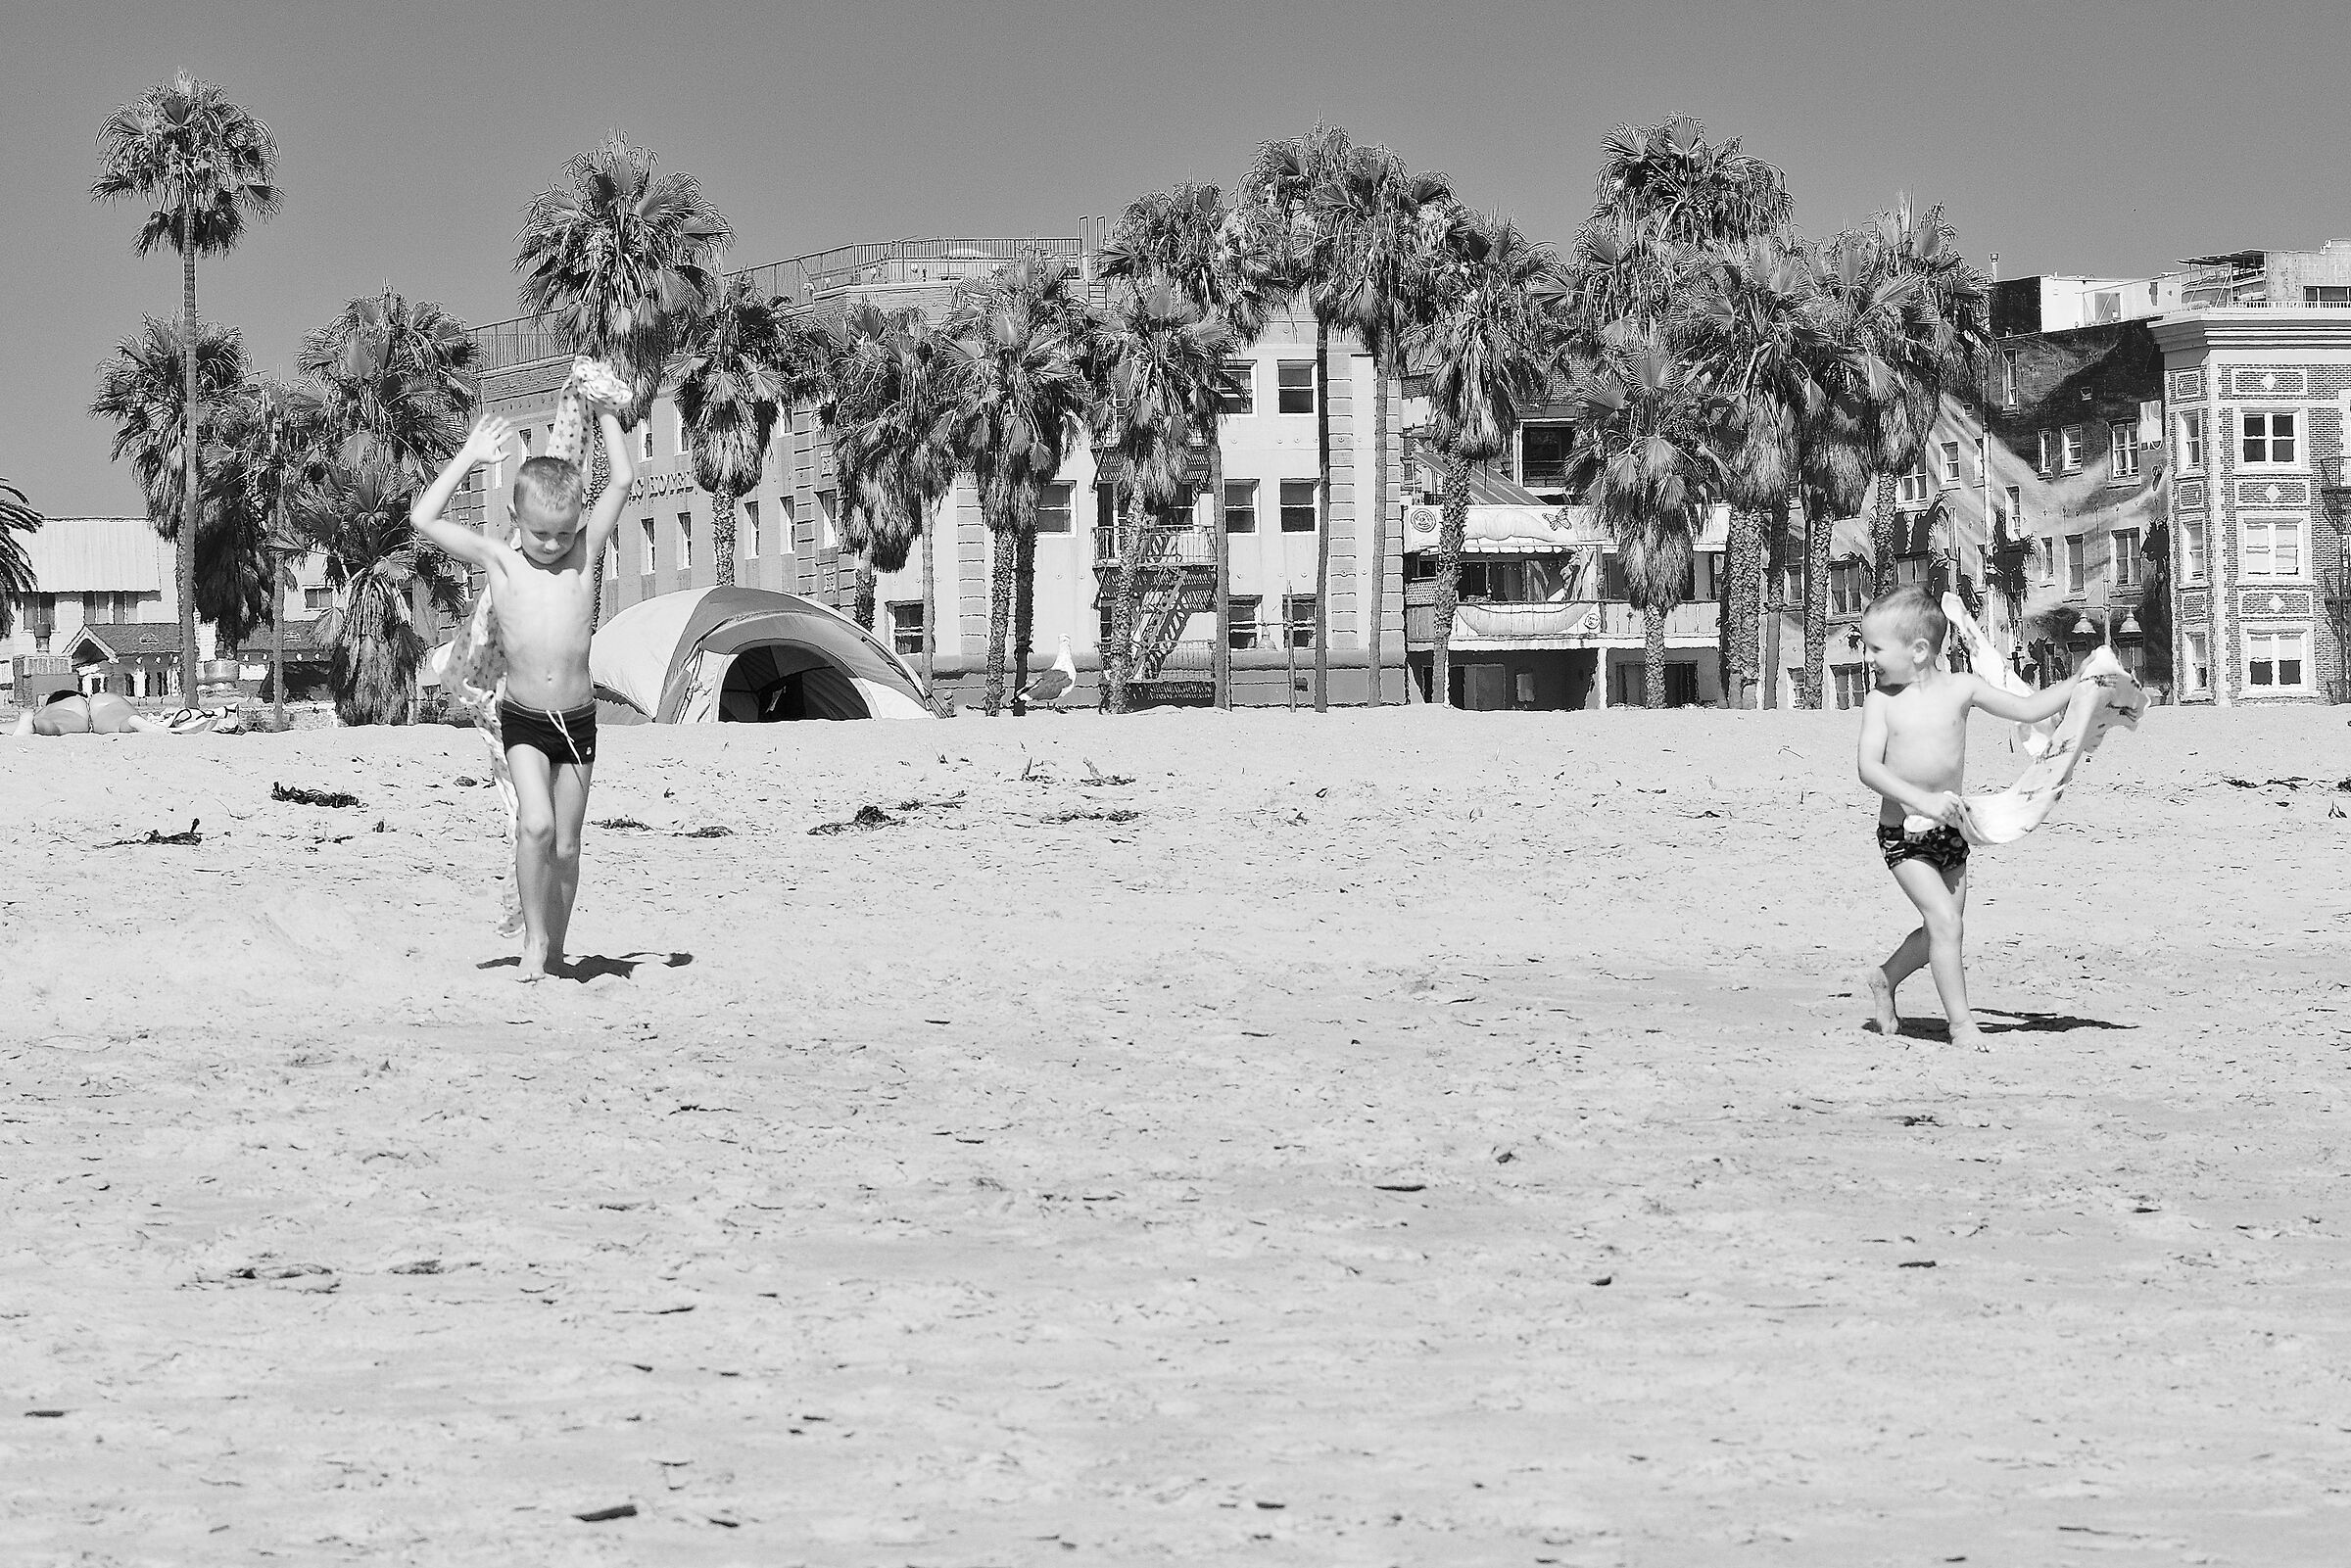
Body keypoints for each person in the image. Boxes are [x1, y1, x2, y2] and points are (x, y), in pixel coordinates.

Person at [411, 409, 635, 979]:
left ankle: (558, 940)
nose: (554, 544)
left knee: (566, 846)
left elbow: (623, 480)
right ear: (515, 517)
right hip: (524, 719)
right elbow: (424, 518)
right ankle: (535, 939)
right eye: (540, 532)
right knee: (535, 826)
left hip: (579, 722)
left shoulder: (585, 558)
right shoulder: (503, 563)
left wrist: (607, 413)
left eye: (564, 531)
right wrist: (469, 455)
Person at [1854, 585, 2080, 1049]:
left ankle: (1885, 977)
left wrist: (2083, 683)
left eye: (1876, 648)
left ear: (1918, 651)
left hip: (1952, 831)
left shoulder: (1963, 688)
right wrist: (1922, 800)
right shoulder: (1881, 701)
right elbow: (1868, 769)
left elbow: (2029, 707)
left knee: (1942, 929)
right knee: (1946, 923)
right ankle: (1961, 1025)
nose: (1868, 657)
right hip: (1903, 835)